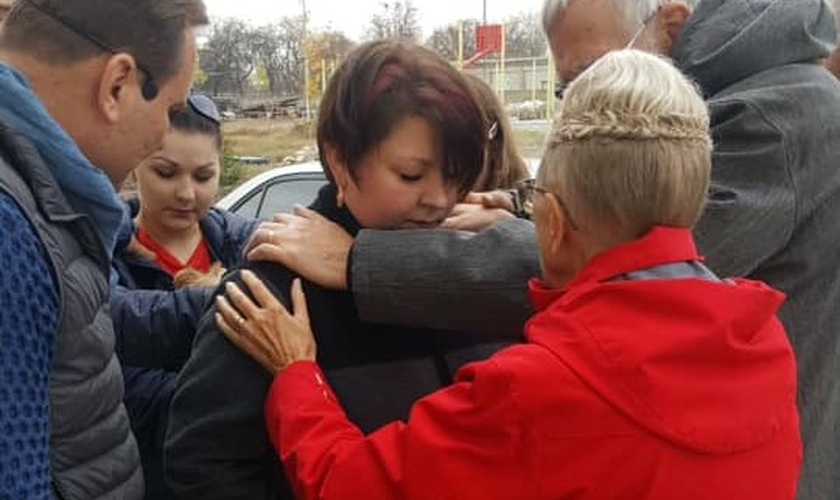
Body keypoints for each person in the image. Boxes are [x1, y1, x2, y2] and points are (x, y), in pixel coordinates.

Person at [250, 2, 840, 498]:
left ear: (552, 223)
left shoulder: (539, 388)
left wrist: (298, 375)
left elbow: (352, 483)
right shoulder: (767, 351)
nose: (438, 203)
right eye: (414, 175)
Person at [164, 39, 498, 500]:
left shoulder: (476, 273)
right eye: (411, 175)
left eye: (458, 174)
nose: (440, 199)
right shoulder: (272, 294)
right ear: (340, 160)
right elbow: (201, 463)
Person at [0, 0, 207, 498]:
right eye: (172, 110)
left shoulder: (41, 208)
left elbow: (86, 326)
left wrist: (227, 301)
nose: (163, 135)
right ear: (117, 86)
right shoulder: (10, 233)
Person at [111, 93, 259, 500]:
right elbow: (123, 389)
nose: (186, 193)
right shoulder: (106, 260)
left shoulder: (248, 246)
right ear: (137, 163)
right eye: (166, 172)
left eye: (203, 176)